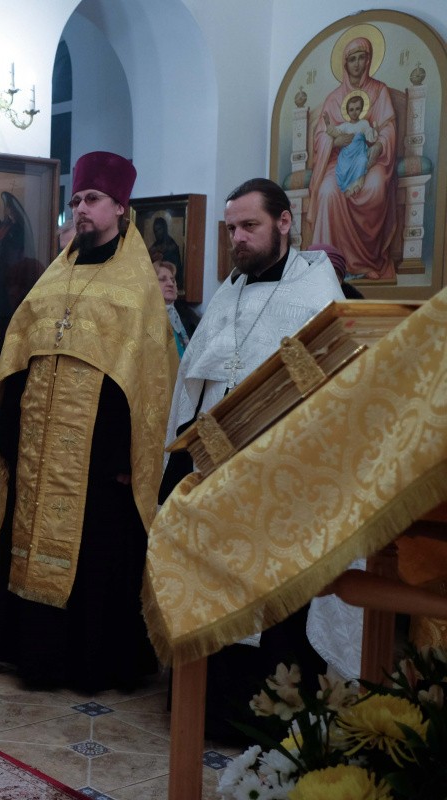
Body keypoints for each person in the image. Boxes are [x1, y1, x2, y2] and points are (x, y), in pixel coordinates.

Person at [161, 177, 346, 743]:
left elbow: (331, 396)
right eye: (231, 229)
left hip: (282, 479)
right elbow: (195, 385)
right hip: (215, 472)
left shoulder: (319, 295)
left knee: (274, 599)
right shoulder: (228, 293)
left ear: (284, 223)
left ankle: (270, 720)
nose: (237, 239)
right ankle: (208, 708)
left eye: (249, 226)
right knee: (213, 589)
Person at [0, 151, 176, 693]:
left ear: (120, 207)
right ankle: (36, 657)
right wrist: (9, 427)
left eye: (92, 199)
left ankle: (92, 665)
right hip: (38, 446)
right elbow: (20, 352)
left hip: (98, 458)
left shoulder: (137, 287)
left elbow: (149, 379)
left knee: (96, 557)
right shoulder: (53, 279)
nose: (81, 209)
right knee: (31, 546)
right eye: (75, 201)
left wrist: (125, 454)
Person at [309, 35, 398, 280]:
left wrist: (378, 146)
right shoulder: (334, 98)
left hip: (371, 158)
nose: (357, 64)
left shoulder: (379, 91)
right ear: (345, 64)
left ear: (369, 60)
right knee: (328, 191)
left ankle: (367, 262)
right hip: (339, 160)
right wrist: (335, 141)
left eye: (362, 58)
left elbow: (388, 128)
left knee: (375, 186)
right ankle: (328, 268)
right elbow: (321, 135)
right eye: (352, 59)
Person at [325, 92, 377, 195]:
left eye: (357, 109)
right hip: (347, 154)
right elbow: (335, 132)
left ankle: (358, 185)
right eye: (351, 109)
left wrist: (375, 130)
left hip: (359, 152)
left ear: (361, 109)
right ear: (347, 111)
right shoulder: (345, 126)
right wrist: (327, 124)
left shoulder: (364, 123)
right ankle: (348, 188)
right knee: (344, 167)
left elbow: (370, 137)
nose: (354, 112)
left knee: (362, 161)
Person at [155, 259, 201, 357]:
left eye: (173, 280)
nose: (171, 284)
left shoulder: (189, 317)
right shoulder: (145, 319)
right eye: (163, 279)